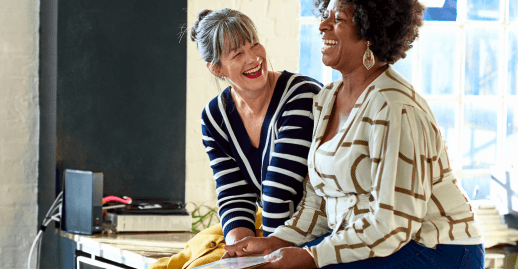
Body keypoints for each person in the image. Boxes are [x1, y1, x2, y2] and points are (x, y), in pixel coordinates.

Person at [223, 0, 485, 268]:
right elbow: (319, 205)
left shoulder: (394, 107)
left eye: (338, 20)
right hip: (378, 240)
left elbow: (393, 223)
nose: (323, 26)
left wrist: (312, 256)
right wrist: (276, 242)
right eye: (325, 16)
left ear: (371, 33)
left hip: (435, 247)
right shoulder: (326, 99)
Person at [148, 8, 323, 269]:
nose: (254, 58)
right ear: (216, 68)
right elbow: (233, 195)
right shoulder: (214, 117)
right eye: (238, 54)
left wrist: (266, 259)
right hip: (271, 238)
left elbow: (280, 191)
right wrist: (239, 252)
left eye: (254, 45)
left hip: (315, 235)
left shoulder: (301, 96)